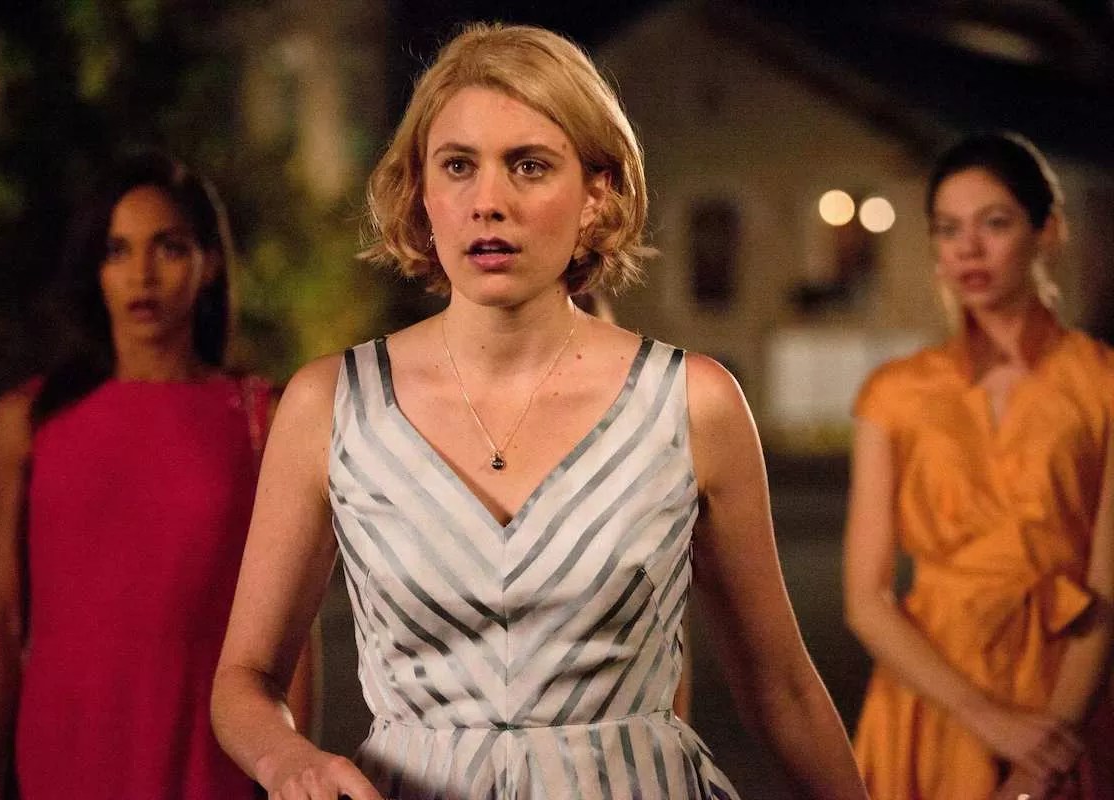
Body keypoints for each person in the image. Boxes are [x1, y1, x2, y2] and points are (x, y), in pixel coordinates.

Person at [212, 23, 867, 800]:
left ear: (596, 195)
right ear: (422, 192)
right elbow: (245, 678)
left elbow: (783, 690)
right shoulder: (331, 404)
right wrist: (287, 759)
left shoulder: (691, 404)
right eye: (459, 166)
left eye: (529, 166)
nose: (489, 203)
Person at [0, 152, 313, 800]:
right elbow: (1, 616)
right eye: (117, 251)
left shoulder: (264, 419)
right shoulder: (27, 422)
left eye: (169, 248)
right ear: (93, 269)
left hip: (208, 756)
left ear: (210, 263)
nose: (142, 275)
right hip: (64, 750)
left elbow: (291, 633)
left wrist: (291, 775)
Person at [845, 132, 1114, 800]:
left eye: (994, 223)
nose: (968, 248)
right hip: (932, 700)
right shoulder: (895, 393)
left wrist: (1043, 753)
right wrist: (987, 719)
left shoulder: (1103, 385)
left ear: (1048, 231)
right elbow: (866, 599)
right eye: (948, 229)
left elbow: (1108, 590)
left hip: (1064, 694)